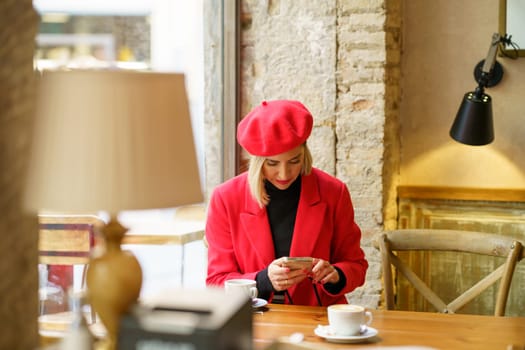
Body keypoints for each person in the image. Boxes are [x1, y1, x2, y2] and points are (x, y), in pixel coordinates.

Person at [205, 99, 368, 306]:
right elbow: (216, 281)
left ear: (305, 154)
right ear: (257, 160)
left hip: (318, 320)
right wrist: (263, 280)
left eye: (294, 161)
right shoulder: (226, 198)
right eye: (272, 163)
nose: (284, 174)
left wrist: (335, 275)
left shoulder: (334, 192)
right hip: (255, 322)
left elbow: (356, 265)